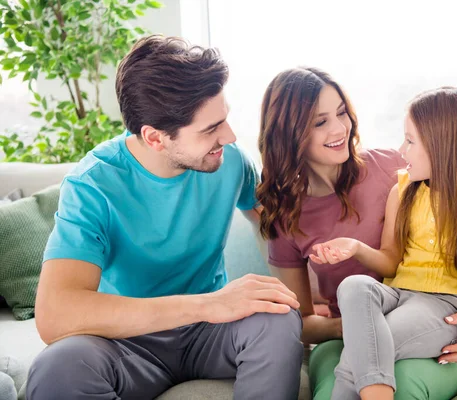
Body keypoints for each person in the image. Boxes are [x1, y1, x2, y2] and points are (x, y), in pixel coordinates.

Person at [26, 35, 303, 400]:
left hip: (209, 332)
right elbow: (55, 315)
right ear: (155, 138)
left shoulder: (228, 159)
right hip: (125, 342)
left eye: (224, 119)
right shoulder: (92, 184)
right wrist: (208, 303)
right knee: (57, 367)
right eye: (210, 129)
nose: (230, 136)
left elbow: (274, 222)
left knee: (278, 317)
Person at [257, 68, 457, 399]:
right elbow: (301, 321)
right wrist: (360, 328)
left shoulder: (398, 168)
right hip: (358, 324)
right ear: (289, 135)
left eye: (341, 113)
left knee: (393, 384)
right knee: (349, 349)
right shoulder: (286, 216)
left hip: (433, 325)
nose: (339, 128)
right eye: (320, 122)